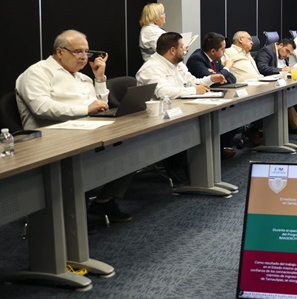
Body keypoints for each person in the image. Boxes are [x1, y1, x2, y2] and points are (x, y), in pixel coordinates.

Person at [16, 30, 133, 224]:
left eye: (87, 52)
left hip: (84, 132)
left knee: (131, 145)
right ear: (60, 52)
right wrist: (85, 109)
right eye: (78, 51)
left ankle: (104, 201)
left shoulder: (83, 78)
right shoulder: (37, 73)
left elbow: (101, 105)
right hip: (50, 138)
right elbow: (41, 108)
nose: (84, 57)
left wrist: (99, 79)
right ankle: (72, 217)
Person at [254, 38, 297, 140]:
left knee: (292, 96)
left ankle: (296, 128)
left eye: (289, 53)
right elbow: (262, 68)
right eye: (287, 51)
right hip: (264, 87)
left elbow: (286, 68)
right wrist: (281, 70)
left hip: (279, 84)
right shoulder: (266, 51)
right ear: (280, 45)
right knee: (283, 101)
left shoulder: (283, 55)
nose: (287, 55)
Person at [186, 32, 237, 159]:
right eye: (223, 49)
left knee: (235, 109)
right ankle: (216, 150)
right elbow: (215, 81)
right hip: (197, 103)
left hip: (213, 96)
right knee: (226, 113)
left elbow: (232, 79)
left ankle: (221, 147)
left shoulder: (216, 59)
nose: (224, 52)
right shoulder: (196, 59)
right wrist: (227, 68)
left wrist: (220, 74)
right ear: (213, 51)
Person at [136, 32, 226, 99]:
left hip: (178, 108)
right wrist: (194, 90)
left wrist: (211, 79)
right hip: (156, 115)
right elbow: (163, 93)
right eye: (181, 47)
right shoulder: (151, 68)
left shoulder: (179, 65)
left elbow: (192, 82)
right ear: (172, 50)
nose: (184, 50)